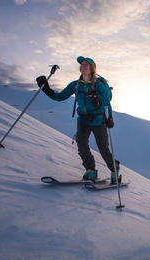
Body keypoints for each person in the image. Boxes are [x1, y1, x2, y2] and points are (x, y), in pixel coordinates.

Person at [36, 56, 119, 184]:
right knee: (82, 145)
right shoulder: (76, 85)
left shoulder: (99, 85)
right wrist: (47, 89)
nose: (83, 66)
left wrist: (109, 118)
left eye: (87, 64)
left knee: (103, 148)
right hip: (84, 121)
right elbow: (60, 97)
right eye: (82, 64)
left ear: (92, 69)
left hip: (99, 121)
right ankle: (90, 170)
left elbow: (106, 103)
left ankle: (114, 169)